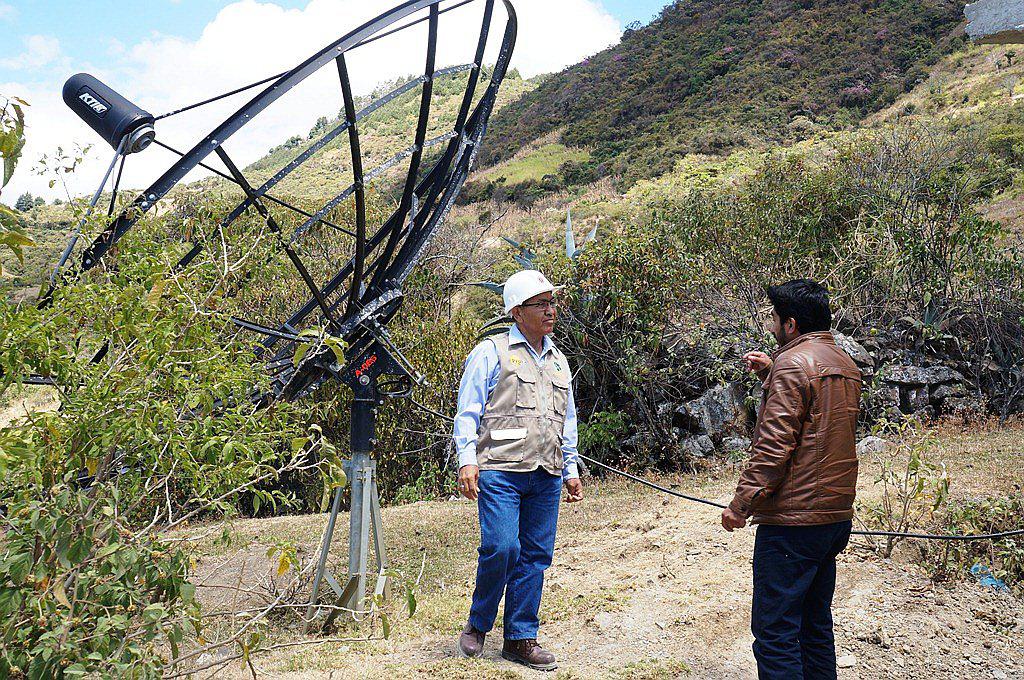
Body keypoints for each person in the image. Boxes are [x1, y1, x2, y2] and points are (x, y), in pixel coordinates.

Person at [721, 279, 862, 680]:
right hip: (834, 519)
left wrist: (740, 505)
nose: (771, 326)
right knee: (814, 626)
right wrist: (772, 372)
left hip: (793, 523)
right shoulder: (846, 365)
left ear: (791, 324)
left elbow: (773, 448)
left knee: (776, 633)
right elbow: (820, 423)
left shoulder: (793, 365)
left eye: (774, 319)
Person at [452, 269, 584, 672]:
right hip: (500, 469)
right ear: (516, 311)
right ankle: (478, 623)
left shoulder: (559, 360)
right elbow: (468, 410)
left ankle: (520, 638)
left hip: (546, 472)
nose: (550, 310)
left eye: (552, 302)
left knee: (535, 556)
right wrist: (467, 459)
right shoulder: (490, 352)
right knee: (502, 547)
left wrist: (571, 467)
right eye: (540, 304)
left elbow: (568, 419)